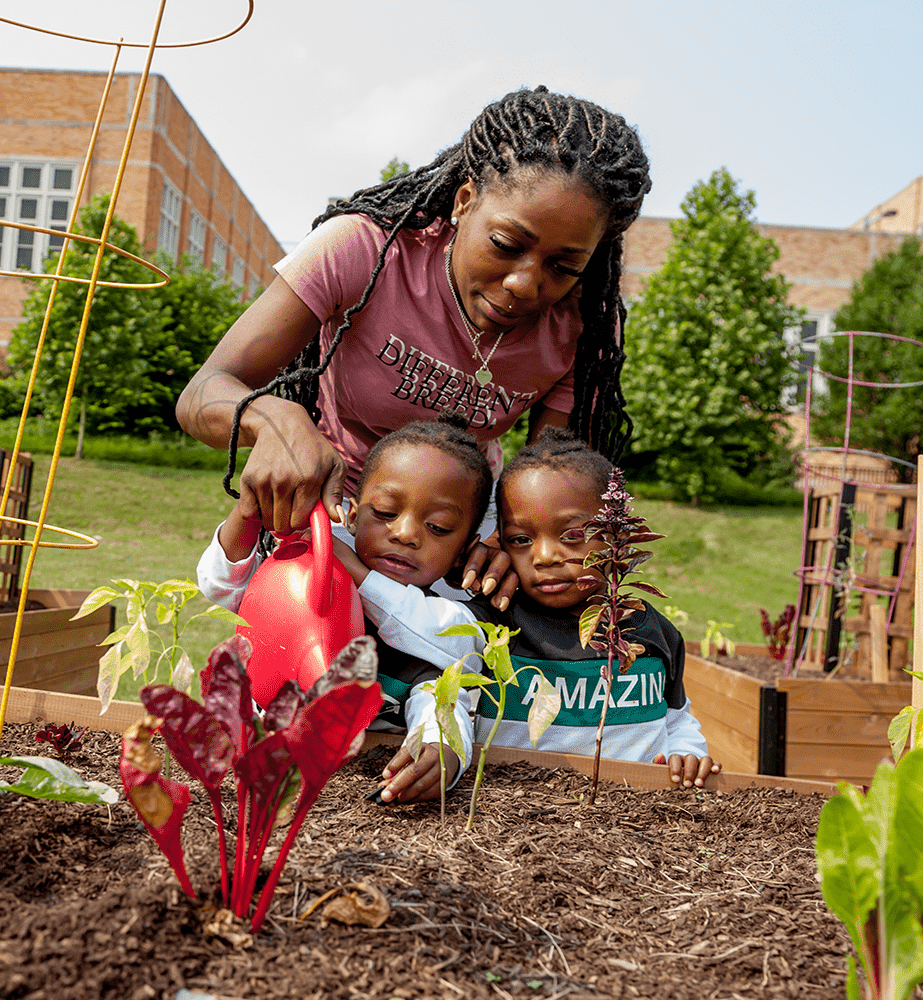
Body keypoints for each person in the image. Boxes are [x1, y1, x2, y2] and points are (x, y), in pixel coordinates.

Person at [176, 86, 650, 609]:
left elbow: (560, 478)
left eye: (563, 267)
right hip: (335, 519)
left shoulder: (581, 324)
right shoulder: (361, 248)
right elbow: (202, 393)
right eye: (506, 245)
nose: (524, 284)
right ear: (465, 202)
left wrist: (500, 539)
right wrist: (274, 419)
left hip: (458, 540)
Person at [337, 428, 721, 788]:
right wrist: (357, 571)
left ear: (618, 535)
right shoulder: (498, 620)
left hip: (634, 811)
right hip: (518, 805)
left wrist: (688, 753)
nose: (544, 556)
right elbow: (421, 624)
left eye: (572, 536)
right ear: (499, 545)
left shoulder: (655, 631)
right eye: (520, 539)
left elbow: (676, 717)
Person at [196, 415, 494, 804]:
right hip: (260, 761)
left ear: (463, 552)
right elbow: (223, 591)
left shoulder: (447, 618)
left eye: (438, 527)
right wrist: (248, 514)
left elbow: (450, 679)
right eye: (386, 512)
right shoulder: (314, 567)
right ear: (352, 516)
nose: (405, 533)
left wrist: (443, 749)